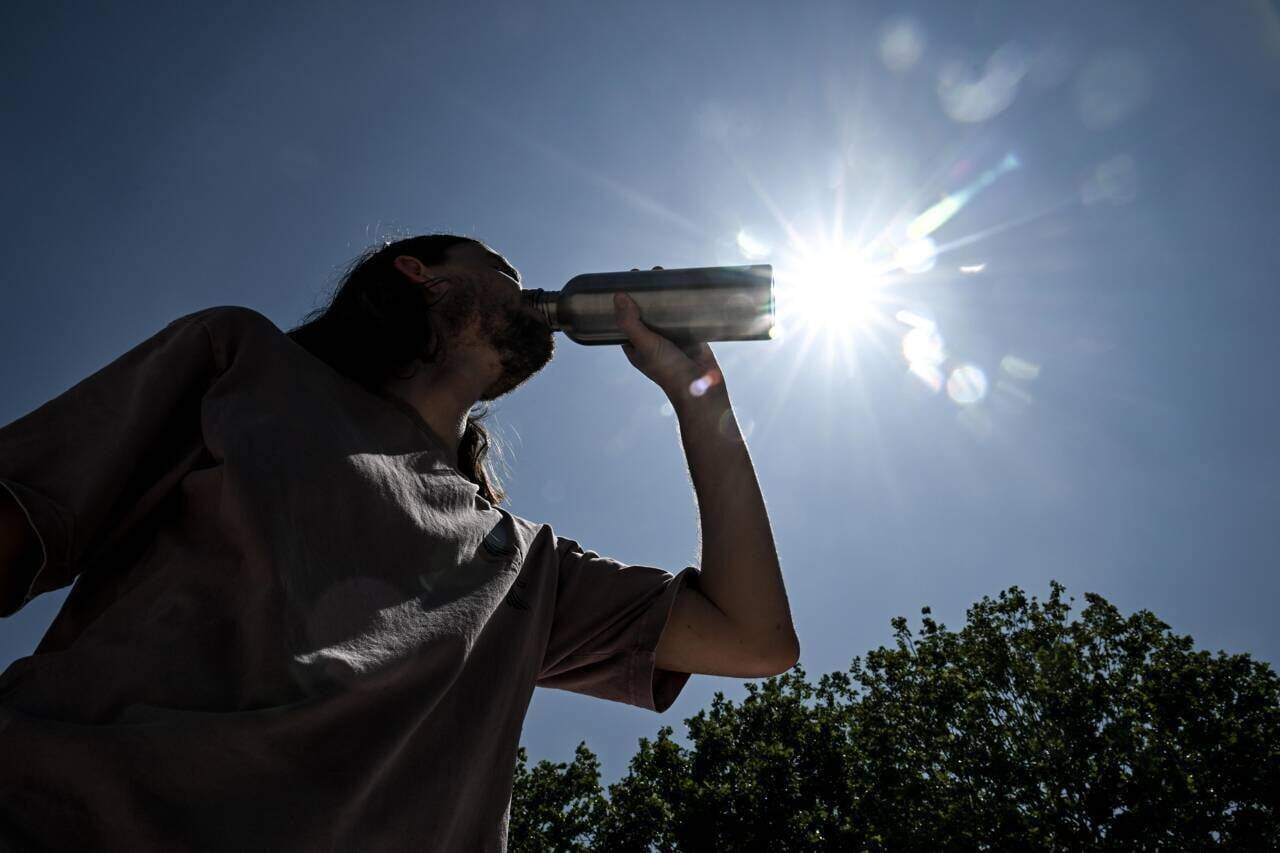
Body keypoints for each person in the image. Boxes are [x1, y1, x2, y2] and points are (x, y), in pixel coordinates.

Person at [0, 234, 799, 851]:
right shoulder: (245, 363)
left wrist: (702, 397)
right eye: (503, 272)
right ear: (419, 272)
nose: (529, 294)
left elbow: (754, 637)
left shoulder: (527, 562)